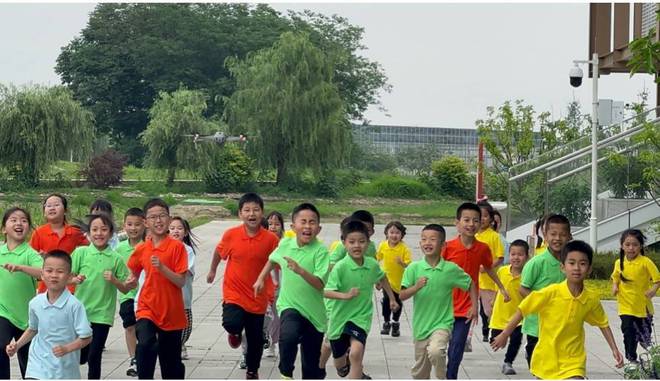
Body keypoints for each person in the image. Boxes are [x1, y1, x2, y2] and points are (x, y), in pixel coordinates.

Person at [492, 240, 624, 379]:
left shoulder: (591, 299)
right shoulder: (550, 293)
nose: (577, 268)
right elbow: (522, 310)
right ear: (562, 267)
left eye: (582, 263)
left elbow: (603, 323)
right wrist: (505, 334)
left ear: (590, 269)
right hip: (546, 360)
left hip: (574, 361)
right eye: (571, 263)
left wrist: (614, 349)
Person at [207, 192, 279, 380]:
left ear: (262, 213)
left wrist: (278, 282)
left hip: (258, 296)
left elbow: (278, 261)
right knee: (232, 322)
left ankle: (252, 371)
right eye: (246, 210)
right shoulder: (231, 235)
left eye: (255, 209)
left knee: (256, 339)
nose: (251, 213)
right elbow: (218, 252)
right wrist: (212, 270)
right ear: (240, 214)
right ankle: (235, 332)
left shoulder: (270, 239)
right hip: (234, 292)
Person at [253, 203, 329, 380]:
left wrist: (300, 270)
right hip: (289, 305)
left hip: (314, 315)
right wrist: (260, 279)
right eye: (303, 222)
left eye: (312, 222)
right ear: (293, 227)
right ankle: (286, 374)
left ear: (319, 228)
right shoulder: (285, 243)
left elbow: (319, 284)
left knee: (311, 368)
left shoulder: (321, 251)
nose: (308, 226)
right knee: (288, 336)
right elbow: (272, 259)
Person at [400, 224, 477, 379]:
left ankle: (443, 378)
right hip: (421, 326)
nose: (427, 242)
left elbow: (470, 284)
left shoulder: (450, 269)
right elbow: (402, 295)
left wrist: (474, 306)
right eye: (424, 239)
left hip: (443, 323)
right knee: (420, 372)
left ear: (442, 245)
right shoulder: (413, 268)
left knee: (436, 351)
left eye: (432, 239)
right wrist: (416, 287)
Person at [324, 219, 399, 380]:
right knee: (340, 365)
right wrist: (345, 295)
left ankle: (355, 373)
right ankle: (343, 367)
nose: (357, 246)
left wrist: (392, 298)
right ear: (344, 243)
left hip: (360, 317)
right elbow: (326, 292)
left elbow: (382, 277)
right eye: (352, 242)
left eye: (361, 241)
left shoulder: (372, 264)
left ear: (368, 243)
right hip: (339, 319)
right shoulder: (340, 267)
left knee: (356, 353)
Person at [443, 202, 510, 379]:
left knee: (457, 345)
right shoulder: (447, 247)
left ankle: (451, 376)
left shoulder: (482, 248)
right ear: (457, 222)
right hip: (444, 305)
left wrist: (502, 288)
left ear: (481, 223)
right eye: (466, 220)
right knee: (440, 346)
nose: (471, 224)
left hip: (467, 306)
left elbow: (489, 268)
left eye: (475, 220)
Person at [5, 250, 93, 379]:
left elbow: (86, 337)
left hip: (64, 369)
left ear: (69, 277)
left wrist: (67, 349)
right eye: (49, 271)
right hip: (37, 364)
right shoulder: (35, 303)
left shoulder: (74, 305)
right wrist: (17, 345)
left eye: (60, 271)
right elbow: (32, 329)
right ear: (42, 274)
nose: (54, 275)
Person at [127, 198, 188, 379]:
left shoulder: (178, 248)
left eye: (162, 216)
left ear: (169, 220)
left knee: (171, 367)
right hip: (147, 307)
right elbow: (134, 273)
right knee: (146, 344)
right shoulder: (142, 249)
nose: (158, 221)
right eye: (153, 217)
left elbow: (180, 281)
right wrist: (130, 281)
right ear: (146, 222)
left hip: (172, 312)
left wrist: (162, 268)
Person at [70, 213, 135, 379]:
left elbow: (126, 288)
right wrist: (75, 279)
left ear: (112, 233)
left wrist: (114, 280)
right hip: (80, 312)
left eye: (104, 229)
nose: (99, 233)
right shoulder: (81, 253)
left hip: (102, 314)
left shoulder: (116, 258)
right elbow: (67, 275)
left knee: (95, 355)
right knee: (81, 355)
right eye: (95, 229)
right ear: (89, 233)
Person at [519, 214, 571, 367]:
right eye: (553, 234)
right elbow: (523, 288)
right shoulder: (537, 262)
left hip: (562, 324)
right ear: (545, 236)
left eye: (562, 234)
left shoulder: (570, 262)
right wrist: (542, 303)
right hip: (537, 326)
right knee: (538, 365)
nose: (557, 238)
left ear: (569, 236)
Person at [0, 207, 43, 379]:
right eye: (14, 220)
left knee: (29, 363)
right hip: (2, 312)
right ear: (4, 228)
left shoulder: (30, 253)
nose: (19, 223)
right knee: (0, 347)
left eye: (24, 220)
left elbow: (43, 273)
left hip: (27, 318)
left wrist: (20, 268)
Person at [611, 229, 660, 363]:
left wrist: (653, 290)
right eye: (627, 245)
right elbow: (615, 277)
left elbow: (657, 279)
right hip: (625, 306)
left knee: (644, 337)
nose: (631, 248)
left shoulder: (646, 262)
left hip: (643, 308)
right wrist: (615, 286)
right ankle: (631, 359)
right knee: (628, 333)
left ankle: (651, 354)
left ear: (641, 246)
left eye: (635, 245)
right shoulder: (618, 262)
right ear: (622, 246)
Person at [30, 193, 88, 293]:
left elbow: (88, 253)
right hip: (46, 288)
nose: (52, 208)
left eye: (56, 205)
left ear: (65, 211)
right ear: (44, 212)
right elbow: (31, 257)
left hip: (70, 287)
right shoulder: (39, 233)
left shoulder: (74, 233)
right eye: (48, 206)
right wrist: (41, 258)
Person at [488, 239, 529, 375]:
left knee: (516, 339)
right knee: (494, 340)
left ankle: (508, 362)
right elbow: (496, 288)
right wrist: (493, 303)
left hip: (518, 316)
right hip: (500, 314)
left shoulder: (527, 276)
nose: (516, 257)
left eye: (520, 254)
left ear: (527, 257)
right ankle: (503, 339)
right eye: (513, 254)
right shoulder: (502, 271)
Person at [115, 207, 146, 377]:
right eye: (129, 224)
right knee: (129, 326)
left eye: (137, 225)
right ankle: (133, 358)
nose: (133, 228)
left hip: (144, 296)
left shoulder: (148, 246)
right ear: (124, 225)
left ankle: (144, 353)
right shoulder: (119, 249)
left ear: (144, 225)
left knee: (144, 329)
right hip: (126, 295)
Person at [475, 201, 505, 342]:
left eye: (485, 216)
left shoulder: (494, 236)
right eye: (479, 216)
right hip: (475, 280)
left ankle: (495, 329)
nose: (482, 219)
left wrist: (487, 268)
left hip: (490, 281)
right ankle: (484, 331)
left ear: (491, 219)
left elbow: (500, 258)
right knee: (478, 308)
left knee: (489, 309)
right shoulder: (473, 235)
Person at [169, 217, 198, 361]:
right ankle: (173, 347)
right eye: (172, 228)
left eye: (179, 228)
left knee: (186, 328)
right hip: (167, 297)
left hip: (183, 296)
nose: (175, 231)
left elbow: (185, 270)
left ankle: (181, 344)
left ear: (185, 233)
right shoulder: (162, 247)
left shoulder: (188, 251)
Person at [376, 221, 412, 337]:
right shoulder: (383, 245)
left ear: (402, 235)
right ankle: (386, 322)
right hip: (387, 280)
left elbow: (409, 265)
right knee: (387, 301)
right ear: (386, 233)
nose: (394, 235)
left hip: (400, 281)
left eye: (397, 233)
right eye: (391, 232)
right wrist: (377, 279)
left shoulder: (404, 248)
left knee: (397, 302)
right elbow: (376, 259)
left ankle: (395, 323)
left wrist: (402, 263)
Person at [264, 211, 284, 358]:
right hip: (265, 284)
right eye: (270, 224)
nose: (273, 227)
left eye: (277, 224)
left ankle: (273, 343)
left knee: (277, 315)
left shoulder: (285, 243)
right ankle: (265, 337)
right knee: (266, 315)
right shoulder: (262, 241)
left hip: (280, 285)